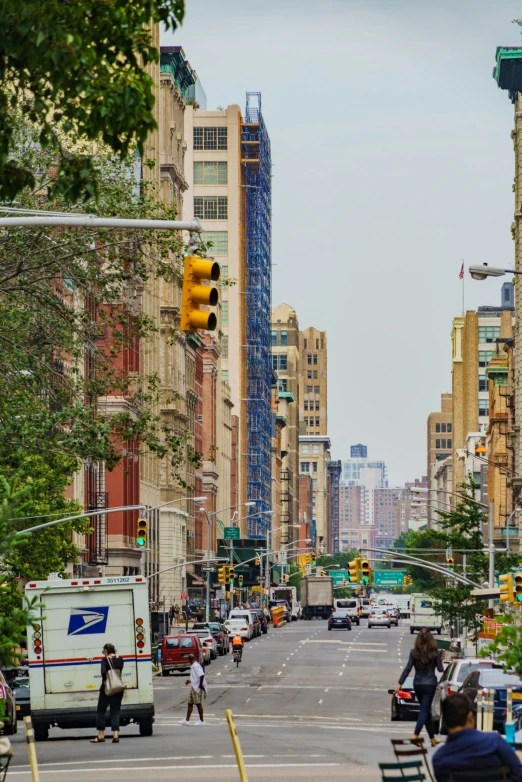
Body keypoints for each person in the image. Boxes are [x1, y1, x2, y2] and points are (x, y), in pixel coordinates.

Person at [432, 693, 522, 781]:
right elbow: (517, 775)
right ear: (470, 716)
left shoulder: (439, 759)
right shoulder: (494, 742)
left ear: (444, 721)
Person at [396, 627, 443, 746]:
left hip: (417, 684)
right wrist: (440, 659)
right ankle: (415, 735)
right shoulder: (435, 652)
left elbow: (408, 668)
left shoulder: (414, 652)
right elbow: (440, 669)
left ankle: (432, 738)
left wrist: (400, 683)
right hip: (430, 685)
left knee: (426, 711)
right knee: (424, 710)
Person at [90, 643, 124, 743]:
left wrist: (105, 681)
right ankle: (116, 735)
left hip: (107, 689)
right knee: (115, 712)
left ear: (106, 651)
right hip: (118, 688)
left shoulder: (104, 660)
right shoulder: (120, 659)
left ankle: (101, 735)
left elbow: (103, 672)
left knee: (101, 711)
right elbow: (119, 671)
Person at [179, 654, 207, 726]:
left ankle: (201, 720)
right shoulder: (193, 666)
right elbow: (195, 677)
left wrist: (200, 685)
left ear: (191, 659)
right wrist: (189, 681)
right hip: (193, 687)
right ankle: (187, 720)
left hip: (197, 688)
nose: (188, 661)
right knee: (190, 703)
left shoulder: (196, 666)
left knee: (198, 704)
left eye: (189, 659)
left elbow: (201, 675)